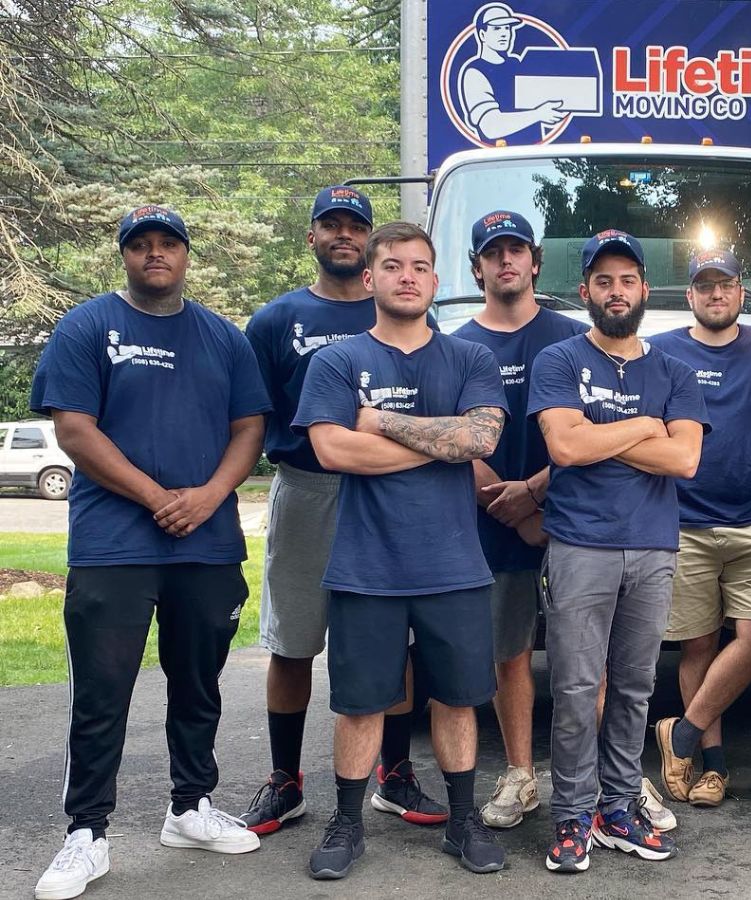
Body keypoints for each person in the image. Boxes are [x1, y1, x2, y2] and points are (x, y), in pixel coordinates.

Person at [32, 206, 270, 900]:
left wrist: (209, 496)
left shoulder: (223, 337)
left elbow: (249, 427)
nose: (155, 254)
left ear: (186, 255)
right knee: (102, 691)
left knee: (198, 683)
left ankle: (190, 808)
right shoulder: (86, 327)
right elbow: (75, 430)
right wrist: (157, 497)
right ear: (125, 256)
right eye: (141, 245)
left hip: (207, 542)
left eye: (168, 243)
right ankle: (86, 833)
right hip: (113, 544)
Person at [292, 222, 510, 880]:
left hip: (454, 565)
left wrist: (381, 422)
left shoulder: (469, 358)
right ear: (370, 279)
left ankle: (463, 820)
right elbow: (333, 450)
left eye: (419, 266)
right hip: (366, 567)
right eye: (392, 266)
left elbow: (480, 441)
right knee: (360, 704)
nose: (407, 276)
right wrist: (438, 443)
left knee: (458, 699)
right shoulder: (337, 362)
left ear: (436, 281)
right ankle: (347, 824)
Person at [240, 186, 448, 837]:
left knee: (394, 639)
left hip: (388, 490)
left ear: (369, 244)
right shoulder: (276, 320)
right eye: (330, 224)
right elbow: (253, 415)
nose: (343, 235)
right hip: (308, 486)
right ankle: (285, 779)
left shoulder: (401, 311)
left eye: (354, 226)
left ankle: (395, 772)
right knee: (293, 640)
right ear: (312, 237)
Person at [528, 229, 707, 873]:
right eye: (603, 281)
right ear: (585, 291)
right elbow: (564, 447)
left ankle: (619, 807)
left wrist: (596, 431)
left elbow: (684, 459)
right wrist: (642, 426)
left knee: (634, 686)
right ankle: (573, 815)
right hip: (580, 545)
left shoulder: (675, 371)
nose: (616, 291)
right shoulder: (558, 360)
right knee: (577, 688)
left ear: (644, 289)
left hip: (653, 547)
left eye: (627, 279)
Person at [649, 249, 751, 808]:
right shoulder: (660, 351)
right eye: (705, 285)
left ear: (741, 291)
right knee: (699, 645)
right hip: (683, 521)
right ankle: (711, 768)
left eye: (726, 284)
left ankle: (680, 734)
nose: (716, 294)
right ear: (689, 295)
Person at [453, 210, 586, 829]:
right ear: (477, 267)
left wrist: (536, 499)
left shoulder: (575, 337)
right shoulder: (455, 346)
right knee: (510, 654)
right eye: (492, 252)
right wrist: (505, 508)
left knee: (586, 660)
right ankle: (520, 775)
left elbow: (596, 429)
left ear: (535, 261)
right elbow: (454, 440)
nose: (505, 260)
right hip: (490, 524)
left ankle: (595, 778)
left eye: (516, 250)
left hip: (573, 520)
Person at [457, 2, 566, 142]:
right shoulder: (475, 72)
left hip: (536, 153)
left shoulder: (515, 63)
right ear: (482, 35)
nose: (504, 34)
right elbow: (490, 126)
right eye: (496, 28)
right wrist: (538, 114)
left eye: (507, 28)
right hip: (498, 155)